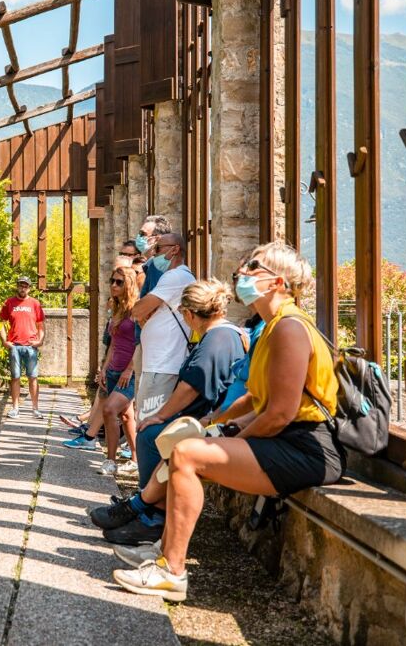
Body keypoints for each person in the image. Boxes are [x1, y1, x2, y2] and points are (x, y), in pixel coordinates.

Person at [113, 242, 343, 602]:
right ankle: (162, 550)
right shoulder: (271, 327)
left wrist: (232, 440)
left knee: (188, 455)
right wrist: (216, 424)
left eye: (254, 266)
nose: (242, 272)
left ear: (278, 282)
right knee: (185, 449)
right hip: (287, 439)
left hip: (307, 448)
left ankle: (171, 571)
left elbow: (281, 413)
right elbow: (256, 398)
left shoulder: (289, 329)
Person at [94, 279, 246, 545]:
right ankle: (145, 507)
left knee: (152, 434)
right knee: (151, 433)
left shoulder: (217, 339)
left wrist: (161, 415)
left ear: (188, 314)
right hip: (207, 416)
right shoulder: (221, 335)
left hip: (207, 421)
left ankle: (153, 516)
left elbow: (192, 386)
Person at [63, 266, 139, 476]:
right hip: (113, 370)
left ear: (129, 285)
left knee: (109, 411)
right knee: (126, 417)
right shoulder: (116, 308)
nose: (114, 285)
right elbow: (113, 343)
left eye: (119, 282)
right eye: (112, 281)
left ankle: (110, 461)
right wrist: (104, 368)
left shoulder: (137, 310)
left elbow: (142, 343)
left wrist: (130, 369)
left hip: (128, 374)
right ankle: (135, 459)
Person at [131, 232, 195, 430]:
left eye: (158, 249)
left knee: (147, 422)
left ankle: (147, 460)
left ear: (174, 249)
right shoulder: (179, 276)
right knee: (145, 418)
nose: (154, 253)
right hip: (160, 362)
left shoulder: (176, 276)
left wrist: (144, 311)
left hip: (163, 362)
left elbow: (138, 310)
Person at [0, 276, 46, 419]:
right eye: (20, 285)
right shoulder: (9, 303)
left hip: (31, 346)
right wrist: (4, 341)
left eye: (25, 286)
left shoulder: (35, 304)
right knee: (15, 377)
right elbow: (1, 323)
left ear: (29, 288)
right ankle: (15, 408)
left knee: (33, 377)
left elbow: (41, 325)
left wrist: (40, 340)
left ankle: (35, 409)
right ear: (17, 286)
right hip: (15, 346)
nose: (23, 288)